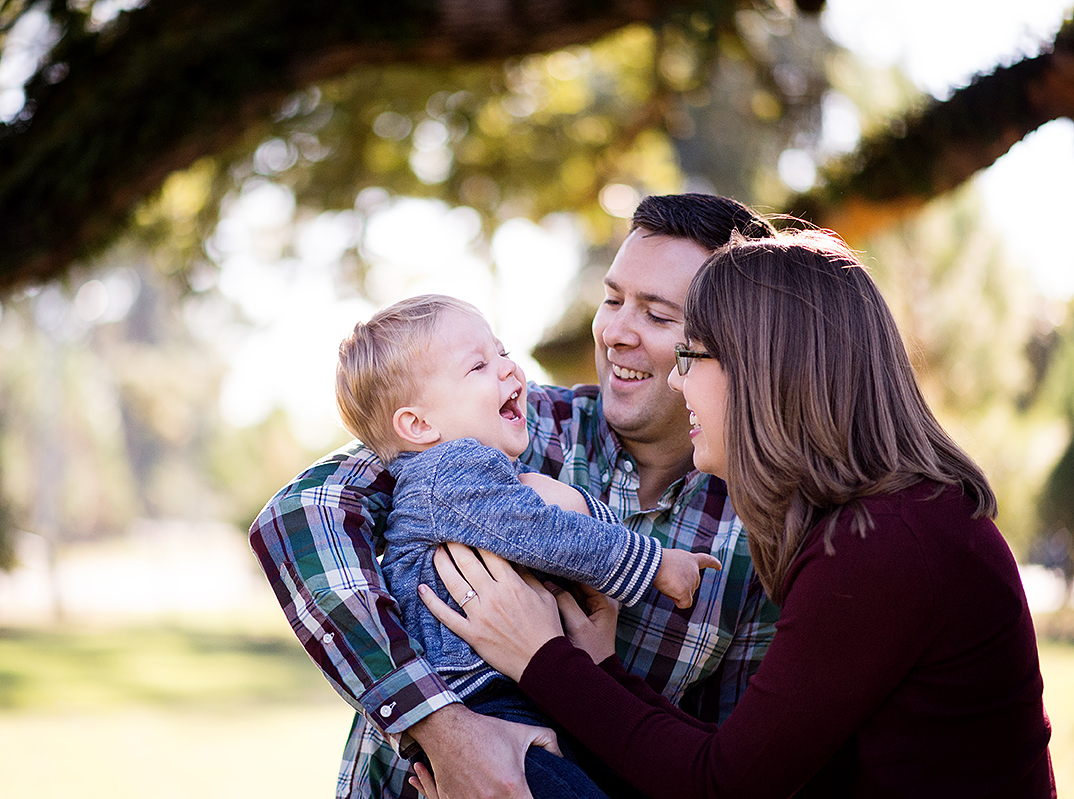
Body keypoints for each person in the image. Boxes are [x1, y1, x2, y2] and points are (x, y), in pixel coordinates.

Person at [416, 230, 1057, 798]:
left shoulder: (887, 546)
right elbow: (750, 761)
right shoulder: (879, 523)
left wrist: (541, 657)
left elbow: (723, 784)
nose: (675, 381)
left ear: (762, 371)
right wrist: (600, 669)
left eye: (690, 356)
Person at [249, 193, 780, 799]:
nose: (615, 333)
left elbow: (723, 761)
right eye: (611, 300)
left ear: (733, 345)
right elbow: (303, 516)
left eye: (658, 316)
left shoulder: (760, 528)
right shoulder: (508, 428)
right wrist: (447, 730)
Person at [333, 293, 722, 797]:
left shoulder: (481, 476)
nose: (509, 369)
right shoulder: (449, 473)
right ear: (418, 425)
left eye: (501, 351)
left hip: (521, 695)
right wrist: (653, 563)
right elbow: (548, 536)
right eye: (478, 366)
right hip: (484, 704)